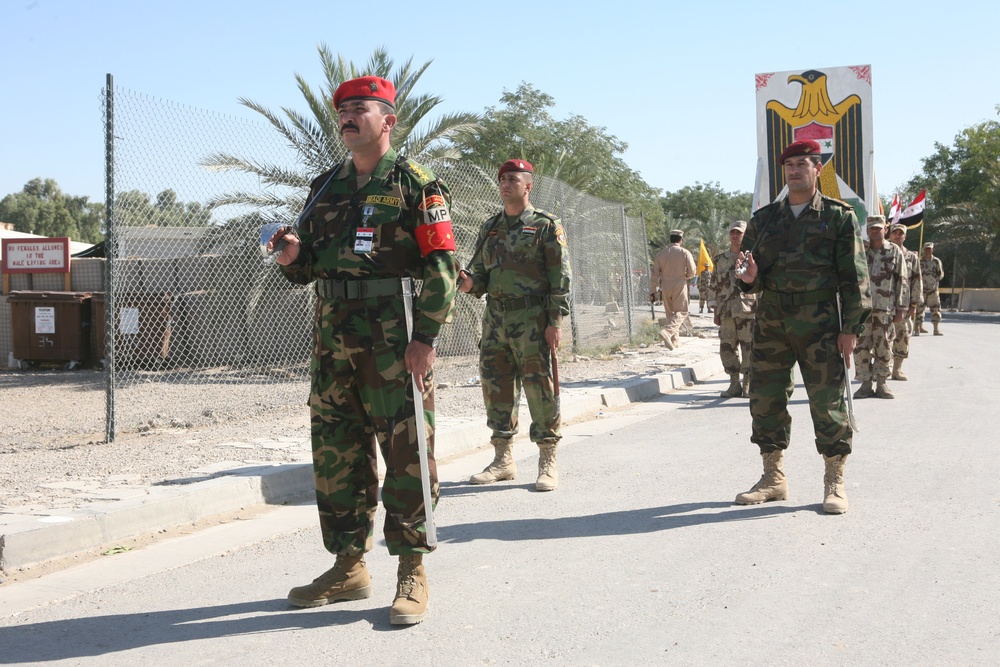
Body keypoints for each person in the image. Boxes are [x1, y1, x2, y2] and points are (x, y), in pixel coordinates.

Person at [269, 76, 459, 625]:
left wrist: (424, 338)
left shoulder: (416, 184)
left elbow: (441, 268)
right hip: (332, 342)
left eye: (361, 109)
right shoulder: (325, 186)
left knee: (406, 453)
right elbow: (305, 271)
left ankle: (412, 570)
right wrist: (289, 254)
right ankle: (349, 566)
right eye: (343, 110)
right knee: (337, 451)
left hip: (393, 339)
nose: (348, 117)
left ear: (389, 120)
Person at [733, 139, 871, 515]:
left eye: (802, 164)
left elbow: (854, 279)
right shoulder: (764, 220)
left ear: (817, 169)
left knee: (827, 403)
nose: (794, 170)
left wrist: (851, 328)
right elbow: (749, 276)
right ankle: (773, 478)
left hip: (822, 323)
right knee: (765, 399)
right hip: (773, 321)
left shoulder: (839, 217)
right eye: (790, 165)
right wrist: (748, 277)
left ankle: (834, 481)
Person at [458, 159, 571, 492]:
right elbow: (480, 275)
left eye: (513, 179)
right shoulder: (490, 227)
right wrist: (468, 282)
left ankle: (547, 460)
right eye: (502, 179)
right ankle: (503, 461)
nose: (505, 184)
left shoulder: (547, 226)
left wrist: (555, 321)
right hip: (495, 320)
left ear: (528, 186)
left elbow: (560, 278)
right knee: (497, 388)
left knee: (541, 388)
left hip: (533, 319)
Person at [852, 216, 908, 399]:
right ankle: (866, 384)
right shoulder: (861, 252)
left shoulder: (894, 251)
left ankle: (882, 383)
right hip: (862, 309)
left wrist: (901, 308)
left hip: (886, 309)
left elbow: (902, 280)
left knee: (884, 345)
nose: (875, 231)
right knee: (861, 346)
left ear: (885, 229)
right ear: (867, 231)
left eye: (878, 228)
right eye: (871, 229)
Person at [710, 220, 758, 398]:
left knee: (749, 348)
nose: (735, 235)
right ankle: (734, 383)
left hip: (748, 311)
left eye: (739, 232)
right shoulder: (720, 260)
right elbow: (714, 285)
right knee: (727, 348)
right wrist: (714, 311)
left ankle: (747, 384)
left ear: (745, 235)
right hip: (726, 311)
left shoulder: (752, 258)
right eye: (733, 232)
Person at [650, 230, 696, 349]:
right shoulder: (684, 252)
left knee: (670, 313)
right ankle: (668, 332)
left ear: (670, 239)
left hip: (665, 284)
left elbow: (655, 274)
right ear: (681, 240)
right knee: (682, 311)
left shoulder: (661, 254)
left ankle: (674, 340)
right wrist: (686, 276)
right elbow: (692, 271)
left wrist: (652, 291)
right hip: (679, 283)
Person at [888, 222, 922, 379]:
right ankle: (882, 369)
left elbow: (916, 280)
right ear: (890, 234)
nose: (897, 235)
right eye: (895, 232)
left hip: (903, 303)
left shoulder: (911, 257)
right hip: (884, 303)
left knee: (903, 335)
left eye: (900, 233)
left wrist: (914, 303)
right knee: (881, 337)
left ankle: (897, 368)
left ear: (905, 236)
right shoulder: (882, 252)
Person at [917, 241, 945, 336]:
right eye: (926, 249)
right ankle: (918, 328)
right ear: (924, 250)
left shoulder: (936, 261)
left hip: (933, 290)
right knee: (919, 309)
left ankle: (936, 329)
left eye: (930, 249)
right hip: (921, 290)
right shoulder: (919, 261)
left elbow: (940, 274)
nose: (928, 250)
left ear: (932, 249)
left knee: (935, 309)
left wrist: (933, 280)